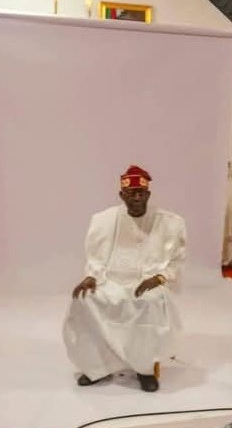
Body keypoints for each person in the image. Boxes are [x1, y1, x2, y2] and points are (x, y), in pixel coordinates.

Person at [63, 165, 186, 392]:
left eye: (141, 193)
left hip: (147, 282)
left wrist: (159, 278)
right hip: (111, 281)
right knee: (85, 299)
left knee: (148, 303)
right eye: (131, 193)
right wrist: (91, 276)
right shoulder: (103, 220)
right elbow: (95, 256)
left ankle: (144, 369)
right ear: (122, 195)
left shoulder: (170, 222)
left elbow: (176, 260)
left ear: (148, 194)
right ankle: (98, 367)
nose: (137, 198)